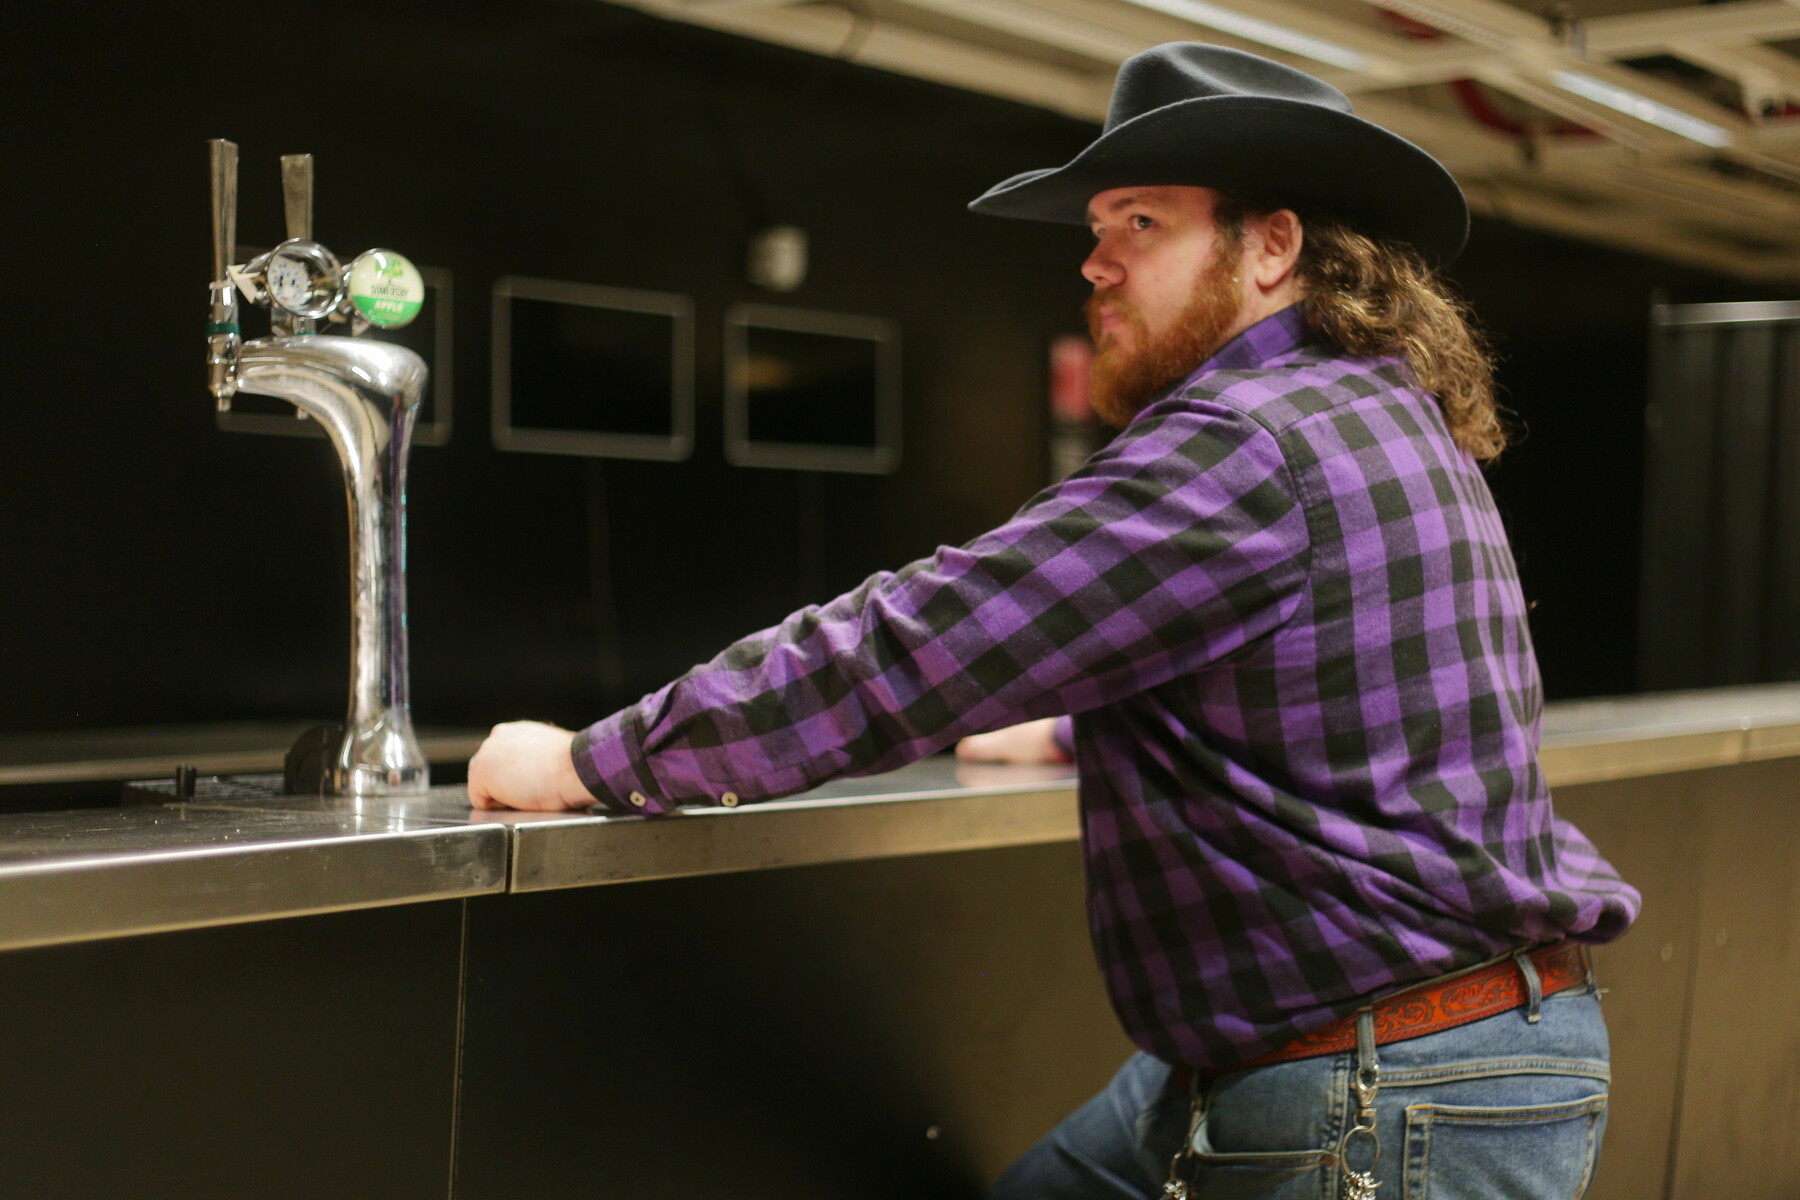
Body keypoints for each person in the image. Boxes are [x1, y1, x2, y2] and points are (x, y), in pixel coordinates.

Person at [468, 43, 1640, 1199]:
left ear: (1273, 246)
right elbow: (1336, 684)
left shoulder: (1244, 439)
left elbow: (914, 645)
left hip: (1379, 1090)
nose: (1095, 260)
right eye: (1097, 226)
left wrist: (591, 761)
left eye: (1142, 222)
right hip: (1431, 1048)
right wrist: (1081, 729)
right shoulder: (1374, 406)